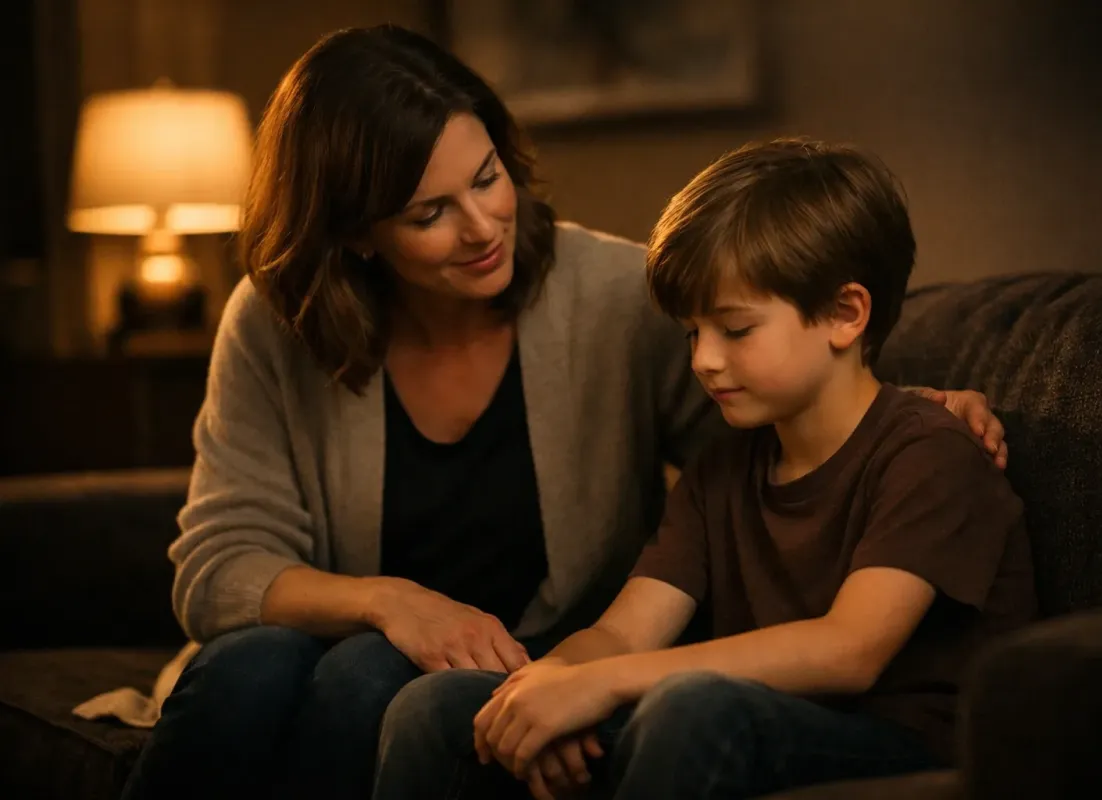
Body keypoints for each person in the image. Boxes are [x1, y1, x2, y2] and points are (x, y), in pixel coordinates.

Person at [121, 24, 1008, 800]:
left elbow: (809, 398)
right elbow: (219, 565)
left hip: (636, 670)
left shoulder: (620, 300)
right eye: (431, 212)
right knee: (255, 662)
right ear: (356, 234)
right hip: (391, 641)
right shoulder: (278, 326)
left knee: (370, 678)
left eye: (488, 178)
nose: (481, 226)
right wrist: (405, 609)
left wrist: (920, 407)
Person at [372, 137, 1037, 800]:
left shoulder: (929, 452)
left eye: (735, 330)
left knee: (692, 708)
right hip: (725, 718)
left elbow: (849, 650)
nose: (703, 361)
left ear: (845, 314)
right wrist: (548, 691)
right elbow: (622, 632)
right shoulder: (722, 470)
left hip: (900, 743)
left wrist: (604, 684)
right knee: (436, 710)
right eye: (693, 332)